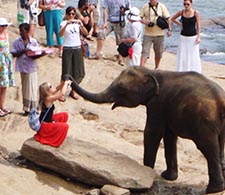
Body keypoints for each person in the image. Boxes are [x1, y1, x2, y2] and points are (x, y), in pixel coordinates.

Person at [11, 23, 42, 116]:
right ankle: (26, 108)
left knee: (33, 87)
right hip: (23, 67)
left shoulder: (33, 42)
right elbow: (13, 54)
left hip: (31, 67)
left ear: (28, 31)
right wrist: (23, 52)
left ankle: (33, 108)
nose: (21, 33)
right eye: (20, 31)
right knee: (25, 88)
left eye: (23, 31)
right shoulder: (17, 42)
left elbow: (37, 53)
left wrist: (35, 54)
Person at [59, 6, 88, 100]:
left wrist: (81, 25)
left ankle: (73, 90)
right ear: (67, 15)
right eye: (69, 14)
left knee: (78, 71)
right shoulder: (63, 23)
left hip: (77, 48)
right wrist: (67, 24)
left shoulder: (77, 24)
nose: (71, 16)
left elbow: (86, 33)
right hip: (67, 48)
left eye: (73, 14)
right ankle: (61, 92)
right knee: (66, 71)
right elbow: (60, 34)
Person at [34, 80, 71, 147]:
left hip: (48, 120)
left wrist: (63, 83)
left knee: (64, 115)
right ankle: (54, 138)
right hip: (45, 126)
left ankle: (55, 131)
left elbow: (57, 88)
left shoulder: (49, 96)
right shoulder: (48, 98)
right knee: (65, 126)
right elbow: (62, 93)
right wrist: (66, 84)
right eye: (50, 86)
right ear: (47, 91)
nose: (52, 87)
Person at [92, 0, 130, 65]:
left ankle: (120, 57)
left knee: (120, 39)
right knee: (101, 33)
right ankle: (98, 53)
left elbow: (129, 9)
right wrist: (104, 22)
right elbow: (105, 10)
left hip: (120, 21)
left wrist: (124, 11)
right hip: (110, 20)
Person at [140, 0, 172, 69]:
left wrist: (169, 30)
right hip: (148, 33)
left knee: (158, 53)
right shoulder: (145, 7)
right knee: (145, 51)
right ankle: (141, 68)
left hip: (159, 34)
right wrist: (145, 22)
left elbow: (168, 18)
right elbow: (140, 18)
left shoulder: (162, 6)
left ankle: (156, 67)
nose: (153, 1)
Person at [171, 0, 201, 73]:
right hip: (183, 37)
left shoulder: (195, 13)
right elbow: (172, 19)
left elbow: (198, 25)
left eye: (188, 4)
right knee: (182, 54)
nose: (186, 6)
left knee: (193, 54)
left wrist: (198, 36)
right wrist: (179, 24)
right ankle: (182, 70)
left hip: (193, 37)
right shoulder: (181, 12)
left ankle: (194, 71)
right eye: (184, 4)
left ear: (191, 4)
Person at [0, 18, 15, 117]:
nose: (4, 28)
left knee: (4, 85)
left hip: (6, 61)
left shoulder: (6, 35)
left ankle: (2, 106)